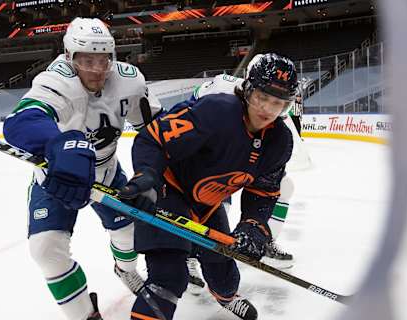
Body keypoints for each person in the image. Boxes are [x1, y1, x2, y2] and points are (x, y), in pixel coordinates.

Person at [3, 17, 163, 320]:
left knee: (128, 232)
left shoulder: (129, 81)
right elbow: (21, 122)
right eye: (87, 60)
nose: (97, 69)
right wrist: (58, 144)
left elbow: (157, 131)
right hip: (58, 177)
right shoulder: (57, 80)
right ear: (68, 57)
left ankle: (125, 270)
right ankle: (84, 314)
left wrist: (150, 173)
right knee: (45, 250)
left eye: (103, 60)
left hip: (106, 173)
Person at [119, 53, 298, 320]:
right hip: (167, 190)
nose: (267, 110)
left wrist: (254, 226)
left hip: (206, 203)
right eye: (262, 97)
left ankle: (227, 296)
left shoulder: (279, 142)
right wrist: (146, 176)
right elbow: (153, 138)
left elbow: (264, 192)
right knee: (169, 277)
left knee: (223, 272)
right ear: (248, 90)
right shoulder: (216, 112)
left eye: (278, 103)